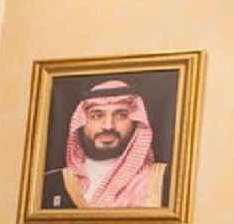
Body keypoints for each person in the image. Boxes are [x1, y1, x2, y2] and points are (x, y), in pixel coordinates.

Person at [41, 79, 171, 209]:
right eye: (96, 116)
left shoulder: (165, 180)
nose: (108, 126)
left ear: (136, 122)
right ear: (81, 123)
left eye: (121, 115)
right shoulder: (49, 183)